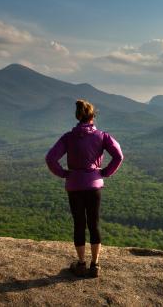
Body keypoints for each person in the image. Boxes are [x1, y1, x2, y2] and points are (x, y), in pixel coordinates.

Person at [45, 99, 124, 278]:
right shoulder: (102, 136)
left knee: (79, 224)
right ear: (92, 117)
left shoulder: (68, 137)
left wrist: (64, 174)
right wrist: (105, 172)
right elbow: (118, 155)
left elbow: (50, 158)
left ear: (78, 117)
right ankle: (95, 265)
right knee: (94, 223)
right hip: (94, 184)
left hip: (74, 185)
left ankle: (81, 264)